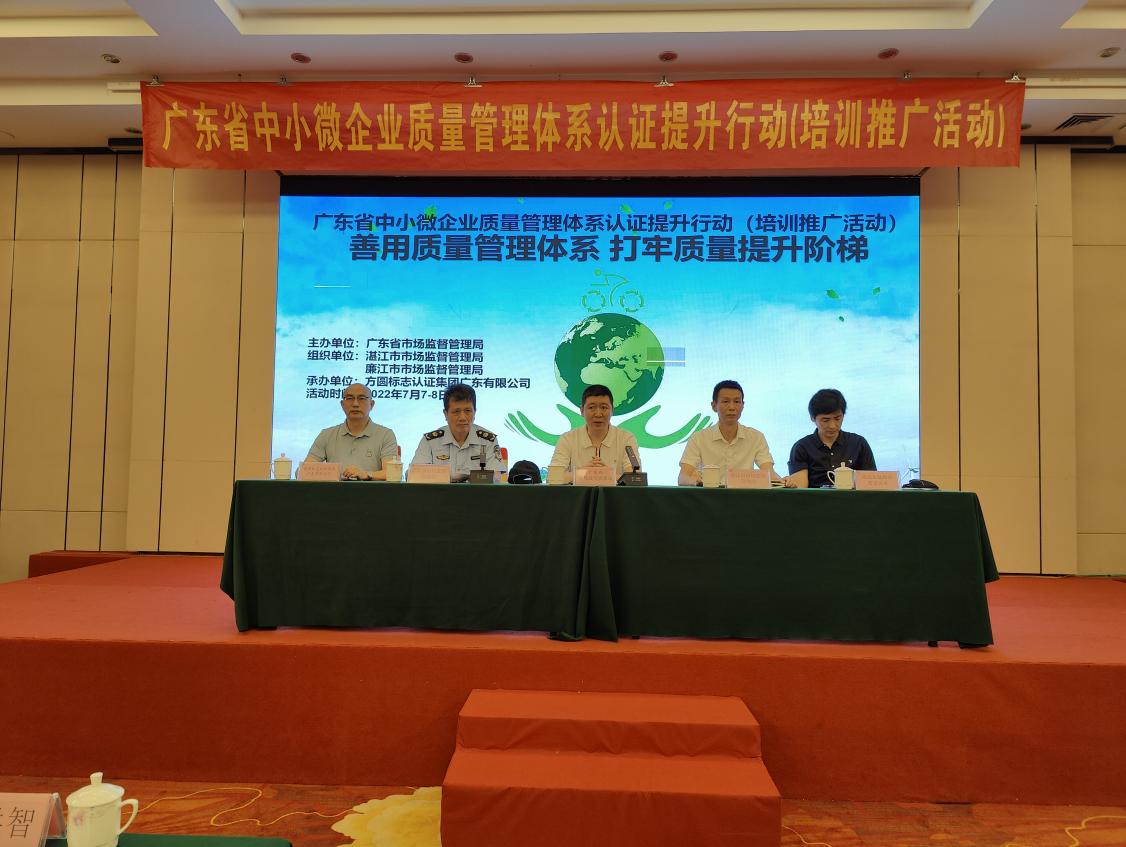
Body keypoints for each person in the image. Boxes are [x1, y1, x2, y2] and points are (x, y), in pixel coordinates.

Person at [678, 379, 794, 487]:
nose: (732, 407)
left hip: (743, 498)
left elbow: (769, 473)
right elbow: (683, 478)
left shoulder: (756, 437)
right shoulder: (699, 438)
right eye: (725, 401)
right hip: (709, 498)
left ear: (743, 405)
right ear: (714, 406)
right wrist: (696, 482)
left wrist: (783, 481)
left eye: (737, 401)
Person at [304, 383, 398, 480]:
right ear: (342, 405)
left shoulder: (385, 435)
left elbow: (393, 473)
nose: (355, 404)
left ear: (371, 404)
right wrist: (330, 474)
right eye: (349, 398)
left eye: (361, 398)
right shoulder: (326, 435)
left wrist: (366, 475)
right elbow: (302, 471)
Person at [787, 388, 876, 488]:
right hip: (815, 497)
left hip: (852, 497)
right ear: (812, 418)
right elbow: (801, 485)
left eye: (837, 418)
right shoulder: (802, 447)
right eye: (826, 420)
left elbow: (870, 483)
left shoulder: (858, 443)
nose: (832, 426)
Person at [410, 382, 502, 479]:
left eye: (467, 411)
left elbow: (496, 477)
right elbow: (414, 475)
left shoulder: (488, 440)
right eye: (456, 412)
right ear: (445, 414)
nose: (462, 417)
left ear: (475, 412)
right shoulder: (430, 441)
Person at [549, 384, 641, 479]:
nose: (598, 414)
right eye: (591, 407)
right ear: (582, 411)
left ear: (612, 410)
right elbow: (553, 477)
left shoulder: (626, 438)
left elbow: (635, 478)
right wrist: (585, 473)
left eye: (604, 407)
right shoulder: (567, 439)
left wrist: (605, 474)